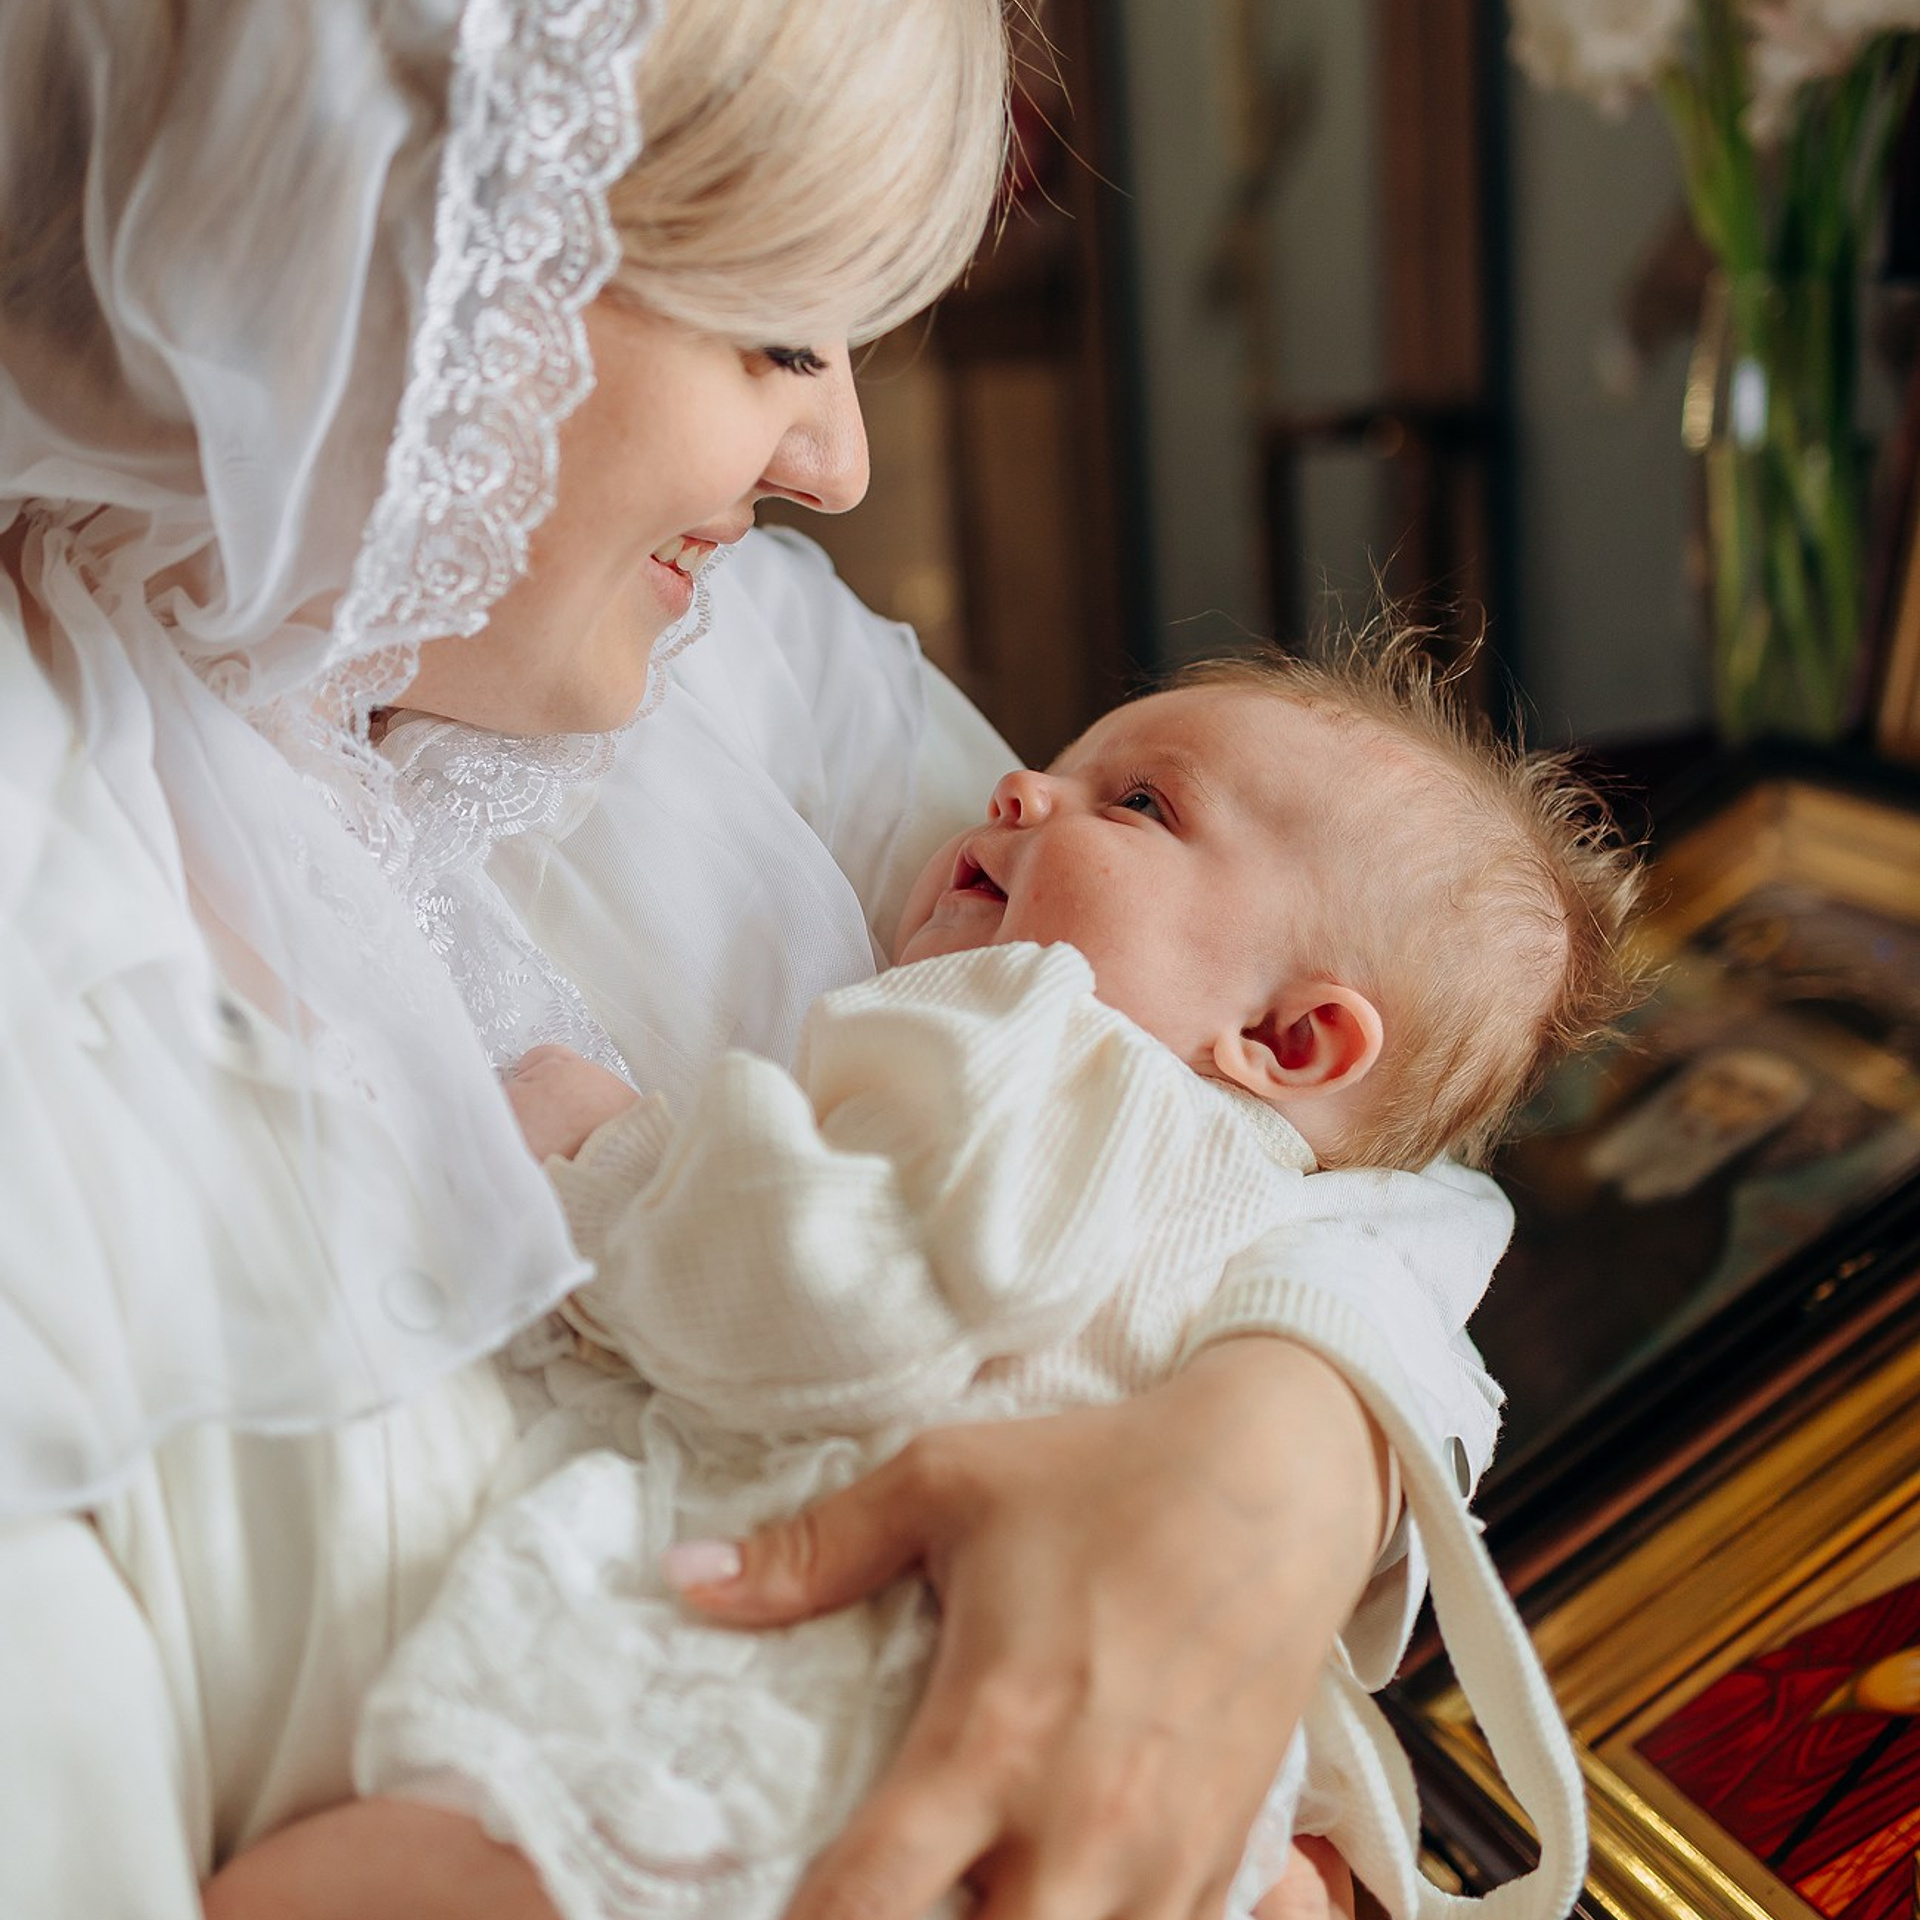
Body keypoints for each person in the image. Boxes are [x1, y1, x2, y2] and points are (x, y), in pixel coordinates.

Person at [0, 4, 1570, 1917]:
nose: (834, 460)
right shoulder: (54, 914)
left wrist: (1264, 1468)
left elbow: (1350, 1123)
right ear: (427, 258)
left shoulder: (730, 654)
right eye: (777, 336)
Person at [205, 644, 1638, 1920]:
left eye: (1138, 805)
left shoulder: (1046, 1051)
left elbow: (844, 1300)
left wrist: (615, 1148)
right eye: (1068, 766)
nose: (1020, 785)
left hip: (843, 1715)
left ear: (1293, 1039)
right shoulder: (1268, 1203)